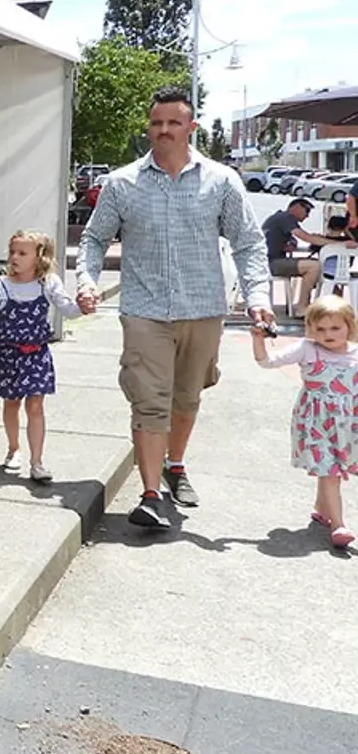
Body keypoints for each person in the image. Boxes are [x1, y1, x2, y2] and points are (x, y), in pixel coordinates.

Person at [77, 85, 272, 531]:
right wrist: (87, 280)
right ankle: (150, 495)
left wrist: (258, 297)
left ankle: (175, 464)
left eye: (172, 123)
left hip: (203, 309)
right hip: (144, 310)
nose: (162, 130)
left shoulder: (221, 180)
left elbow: (247, 242)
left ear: (191, 127)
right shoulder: (122, 183)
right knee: (149, 402)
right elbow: (92, 239)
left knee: (187, 398)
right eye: (156, 123)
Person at [0, 230, 83, 482]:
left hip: (36, 355)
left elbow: (68, 310)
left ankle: (37, 462)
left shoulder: (48, 283)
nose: (15, 257)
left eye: (22, 253)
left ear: (39, 257)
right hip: (8, 356)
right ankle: (14, 448)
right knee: (11, 404)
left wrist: (84, 306)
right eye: (12, 251)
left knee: (35, 406)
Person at [251, 295, 357, 551]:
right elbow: (267, 362)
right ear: (310, 328)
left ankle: (322, 510)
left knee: (332, 469)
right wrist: (258, 341)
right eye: (320, 328)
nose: (327, 334)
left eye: (335, 328)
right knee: (329, 470)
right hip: (316, 422)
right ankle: (338, 525)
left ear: (350, 326)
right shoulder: (306, 349)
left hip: (348, 423)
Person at [262, 198, 339, 316]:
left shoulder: (280, 218)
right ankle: (302, 307)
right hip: (271, 263)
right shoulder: (287, 218)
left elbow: (293, 237)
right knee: (315, 266)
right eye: (307, 211)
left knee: (315, 265)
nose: (307, 216)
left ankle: (320, 303)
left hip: (269, 261)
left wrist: (292, 242)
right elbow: (306, 237)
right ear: (296, 207)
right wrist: (338, 244)